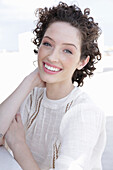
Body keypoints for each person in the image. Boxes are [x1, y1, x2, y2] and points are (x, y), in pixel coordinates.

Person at [0, 2, 106, 170]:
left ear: (82, 61)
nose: (52, 57)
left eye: (67, 51)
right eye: (48, 44)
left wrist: (18, 144)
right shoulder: (32, 96)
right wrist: (29, 80)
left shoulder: (84, 113)